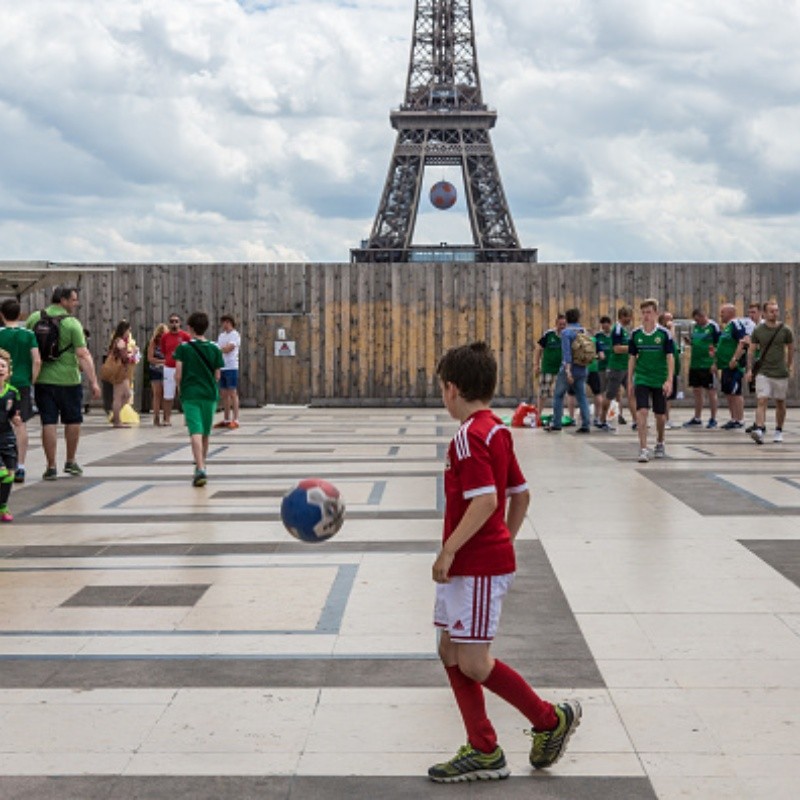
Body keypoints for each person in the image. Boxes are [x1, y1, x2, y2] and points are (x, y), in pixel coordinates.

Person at [429, 342, 581, 783]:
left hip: (473, 566)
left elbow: (487, 501)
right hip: (479, 563)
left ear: (452, 389)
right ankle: (483, 748)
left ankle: (549, 720)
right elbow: (522, 495)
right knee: (449, 650)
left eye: (443, 389)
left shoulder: (468, 437)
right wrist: (503, 541)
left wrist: (451, 549)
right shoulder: (496, 430)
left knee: (474, 662)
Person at [25, 285, 100, 480]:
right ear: (63, 300)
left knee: (48, 422)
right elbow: (83, 354)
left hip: (42, 380)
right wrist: (93, 381)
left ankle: (50, 466)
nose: (76, 303)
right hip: (69, 380)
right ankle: (71, 461)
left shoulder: (34, 318)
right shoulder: (72, 323)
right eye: (73, 300)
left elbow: (30, 349)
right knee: (73, 420)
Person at [174, 312, 224, 487]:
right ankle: (202, 464)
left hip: (190, 394)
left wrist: (180, 389)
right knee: (205, 432)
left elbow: (178, 374)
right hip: (209, 395)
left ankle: (200, 468)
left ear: (190, 328)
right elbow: (218, 374)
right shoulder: (215, 348)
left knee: (194, 431)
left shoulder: (183, 349)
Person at [628, 298, 674, 462]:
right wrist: (629, 380)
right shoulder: (636, 334)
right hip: (642, 377)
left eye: (649, 312)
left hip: (659, 378)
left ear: (656, 313)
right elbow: (632, 358)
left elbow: (670, 358)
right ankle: (643, 448)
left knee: (660, 416)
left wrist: (669, 380)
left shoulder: (664, 334)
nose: (646, 316)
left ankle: (660, 442)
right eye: (643, 312)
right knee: (642, 412)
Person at [0, 298, 41, 482]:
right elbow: (37, 360)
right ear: (19, 314)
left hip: (2, 384)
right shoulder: (28, 334)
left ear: (1, 314)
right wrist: (33, 378)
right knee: (20, 423)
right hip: (22, 383)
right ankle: (20, 466)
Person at [746, 301, 794, 444]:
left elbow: (791, 349)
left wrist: (789, 365)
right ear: (765, 313)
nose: (775, 313)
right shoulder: (759, 330)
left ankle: (779, 429)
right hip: (763, 371)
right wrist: (749, 369)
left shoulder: (786, 330)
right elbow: (751, 350)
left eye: (776, 310)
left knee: (780, 402)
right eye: (771, 311)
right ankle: (759, 429)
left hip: (780, 372)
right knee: (762, 399)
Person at [547, 308, 591, 433]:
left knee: (558, 395)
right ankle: (586, 424)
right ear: (578, 318)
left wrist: (568, 372)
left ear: (566, 319)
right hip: (582, 368)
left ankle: (556, 423)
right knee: (582, 397)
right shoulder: (583, 331)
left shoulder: (566, 333)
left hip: (569, 370)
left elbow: (567, 354)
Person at [683, 308, 721, 428]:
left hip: (708, 364)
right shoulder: (695, 327)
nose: (697, 322)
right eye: (695, 320)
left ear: (703, 316)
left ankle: (713, 418)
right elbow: (696, 342)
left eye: (698, 319)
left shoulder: (713, 327)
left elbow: (719, 345)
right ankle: (697, 417)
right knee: (697, 391)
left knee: (711, 392)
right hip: (695, 364)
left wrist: (715, 363)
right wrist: (690, 342)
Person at [601, 306, 635, 429]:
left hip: (625, 367)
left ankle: (636, 421)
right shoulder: (618, 330)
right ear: (621, 317)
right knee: (610, 395)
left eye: (630, 316)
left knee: (632, 393)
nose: (630, 319)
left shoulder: (625, 330)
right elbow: (616, 348)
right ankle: (602, 420)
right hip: (616, 368)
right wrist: (632, 348)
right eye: (627, 317)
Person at [715, 304, 748, 430]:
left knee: (736, 392)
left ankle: (740, 420)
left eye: (723, 312)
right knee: (729, 392)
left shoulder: (736, 324)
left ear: (730, 312)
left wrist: (735, 358)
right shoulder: (727, 327)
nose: (721, 315)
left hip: (734, 366)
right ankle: (733, 418)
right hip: (725, 366)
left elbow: (743, 341)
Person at [0, 349, 22, 521]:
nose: (0, 369)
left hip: (6, 435)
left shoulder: (12, 392)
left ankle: (3, 506)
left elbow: (13, 413)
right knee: (0, 472)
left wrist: (16, 419)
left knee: (9, 475)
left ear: (8, 372)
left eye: (3, 366)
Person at [106, 320, 139, 428]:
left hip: (122, 371)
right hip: (119, 371)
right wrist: (133, 353)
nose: (129, 332)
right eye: (128, 330)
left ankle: (116, 417)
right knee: (120, 396)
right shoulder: (120, 341)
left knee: (126, 395)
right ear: (124, 330)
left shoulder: (118, 341)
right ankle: (117, 420)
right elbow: (124, 357)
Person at [160, 313, 191, 426]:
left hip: (183, 368)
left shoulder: (185, 336)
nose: (174, 324)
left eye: (176, 321)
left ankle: (188, 419)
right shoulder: (165, 337)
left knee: (185, 394)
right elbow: (164, 351)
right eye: (172, 321)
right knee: (168, 394)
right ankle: (167, 419)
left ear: (180, 323)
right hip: (169, 368)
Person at [534, 315, 566, 414]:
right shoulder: (548, 334)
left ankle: (558, 415)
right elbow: (538, 349)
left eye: (564, 324)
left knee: (559, 394)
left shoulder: (567, 336)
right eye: (560, 324)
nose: (562, 326)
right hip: (547, 368)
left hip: (561, 369)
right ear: (556, 324)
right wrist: (536, 364)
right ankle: (538, 414)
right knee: (543, 393)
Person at [214, 314, 241, 429]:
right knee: (224, 394)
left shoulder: (235, 335)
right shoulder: (221, 336)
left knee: (232, 392)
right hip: (222, 366)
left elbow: (229, 348)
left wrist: (220, 350)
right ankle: (226, 419)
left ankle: (236, 419)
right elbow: (218, 349)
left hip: (231, 366)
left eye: (225, 322)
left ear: (229, 322)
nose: (223, 325)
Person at [658, 311, 680, 429]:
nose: (671, 322)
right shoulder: (663, 333)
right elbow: (669, 340)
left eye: (672, 319)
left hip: (673, 370)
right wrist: (671, 329)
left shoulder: (670, 333)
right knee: (664, 396)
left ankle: (668, 418)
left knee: (670, 397)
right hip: (663, 370)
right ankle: (663, 419)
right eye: (668, 319)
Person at [593, 315, 613, 429]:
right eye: (603, 325)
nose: (605, 327)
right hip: (600, 368)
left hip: (613, 367)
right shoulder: (598, 336)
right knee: (600, 392)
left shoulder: (614, 336)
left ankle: (611, 414)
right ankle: (598, 415)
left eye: (607, 325)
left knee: (611, 393)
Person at [147, 323, 168, 426]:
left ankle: (165, 417)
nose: (161, 337)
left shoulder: (168, 342)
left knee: (166, 394)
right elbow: (150, 358)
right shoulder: (153, 343)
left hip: (166, 370)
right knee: (157, 394)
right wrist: (162, 361)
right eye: (160, 335)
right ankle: (156, 417)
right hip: (155, 369)